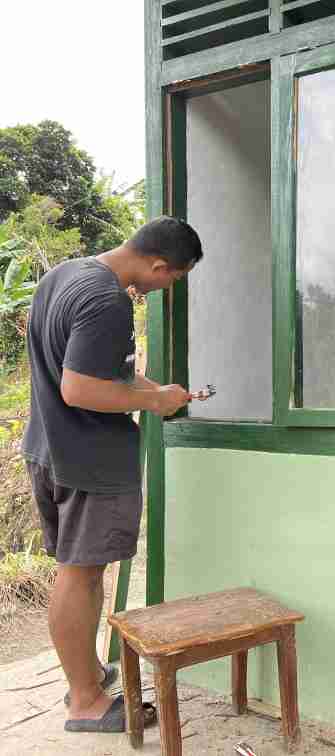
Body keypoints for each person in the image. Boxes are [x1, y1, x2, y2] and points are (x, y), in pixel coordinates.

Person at [22, 216, 204, 734]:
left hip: (50, 449)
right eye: (174, 279)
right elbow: (79, 389)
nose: (167, 288)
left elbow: (101, 369)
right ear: (158, 265)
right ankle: (85, 701)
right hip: (88, 462)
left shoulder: (65, 275)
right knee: (79, 575)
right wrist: (151, 403)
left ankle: (86, 674)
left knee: (80, 571)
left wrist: (157, 391)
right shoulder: (109, 301)